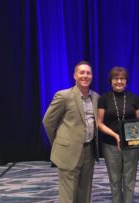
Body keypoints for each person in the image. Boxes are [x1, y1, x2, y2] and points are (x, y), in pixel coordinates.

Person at [43, 61, 100, 203]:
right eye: (82, 72)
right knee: (68, 196)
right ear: (75, 75)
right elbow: (48, 122)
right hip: (68, 151)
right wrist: (59, 142)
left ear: (92, 76)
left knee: (85, 192)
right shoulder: (63, 96)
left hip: (89, 150)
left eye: (88, 73)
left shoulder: (96, 97)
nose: (85, 76)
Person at [97, 67, 139, 203]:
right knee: (115, 180)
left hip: (131, 145)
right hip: (110, 145)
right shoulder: (104, 98)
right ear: (111, 81)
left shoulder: (134, 98)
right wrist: (116, 136)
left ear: (126, 81)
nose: (119, 81)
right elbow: (99, 122)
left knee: (129, 179)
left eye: (122, 79)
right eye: (116, 79)